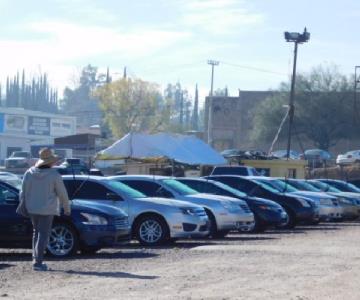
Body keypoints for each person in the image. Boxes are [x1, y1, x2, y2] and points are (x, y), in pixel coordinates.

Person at [20, 148, 71, 271]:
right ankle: (38, 262)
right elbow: (62, 193)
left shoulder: (29, 172)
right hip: (47, 210)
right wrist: (66, 208)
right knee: (43, 234)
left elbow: (22, 192)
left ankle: (35, 259)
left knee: (36, 233)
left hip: (32, 208)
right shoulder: (54, 175)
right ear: (50, 162)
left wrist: (24, 205)